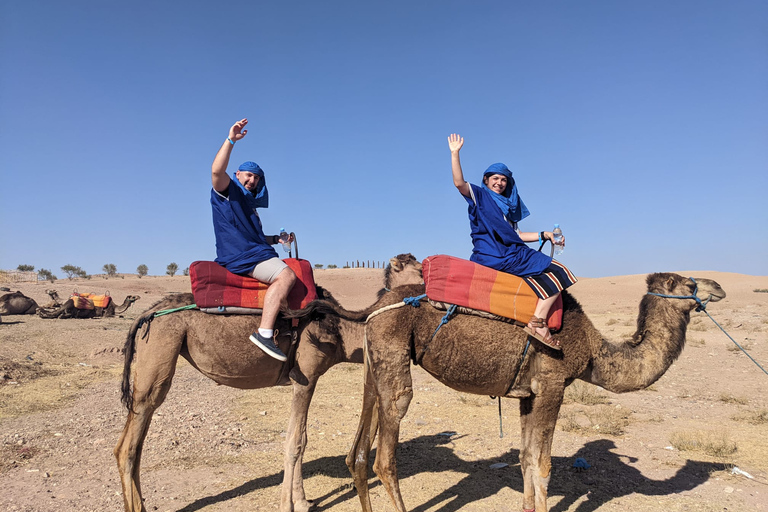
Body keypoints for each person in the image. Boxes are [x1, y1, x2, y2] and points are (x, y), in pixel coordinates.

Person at [448, 133, 577, 350]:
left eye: (503, 179)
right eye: (495, 178)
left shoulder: (506, 208)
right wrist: (455, 154)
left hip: (509, 253)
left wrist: (543, 234)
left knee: (549, 271)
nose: (499, 182)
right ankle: (538, 322)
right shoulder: (480, 196)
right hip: (500, 256)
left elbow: (515, 235)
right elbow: (459, 183)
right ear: (486, 180)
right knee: (561, 273)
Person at [210, 118, 297, 361]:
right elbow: (217, 171)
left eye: (256, 178)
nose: (252, 180)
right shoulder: (228, 191)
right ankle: (265, 333)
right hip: (242, 256)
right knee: (286, 275)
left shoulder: (248, 204)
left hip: (254, 251)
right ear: (237, 175)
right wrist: (231, 140)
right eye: (248, 175)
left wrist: (276, 240)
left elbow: (254, 237)